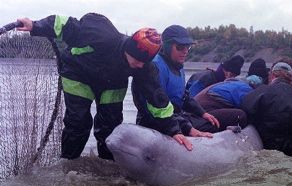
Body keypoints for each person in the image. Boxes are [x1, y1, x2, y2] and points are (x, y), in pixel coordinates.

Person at [16, 13, 183, 159]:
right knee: (78, 123)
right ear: (129, 49)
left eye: (144, 62)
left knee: (110, 127)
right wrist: (35, 26)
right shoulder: (101, 34)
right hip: (78, 73)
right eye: (137, 60)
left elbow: (157, 99)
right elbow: (65, 24)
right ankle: (68, 164)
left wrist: (174, 130)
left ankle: (107, 164)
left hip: (112, 83)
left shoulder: (144, 68)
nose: (139, 65)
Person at [133, 24, 220, 140]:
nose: (185, 51)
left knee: (213, 123)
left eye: (187, 47)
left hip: (176, 118)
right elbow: (156, 108)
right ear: (167, 46)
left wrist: (202, 113)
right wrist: (187, 129)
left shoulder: (178, 66)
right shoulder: (154, 68)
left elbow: (184, 97)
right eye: (180, 47)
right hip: (156, 122)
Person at [241, 62, 292, 157]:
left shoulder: (264, 90)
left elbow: (245, 107)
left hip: (273, 145)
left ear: (272, 75)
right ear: (291, 77)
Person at [195, 75, 263, 130]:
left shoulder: (232, 83)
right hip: (202, 112)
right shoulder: (246, 89)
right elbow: (249, 108)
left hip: (197, 108)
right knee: (241, 115)